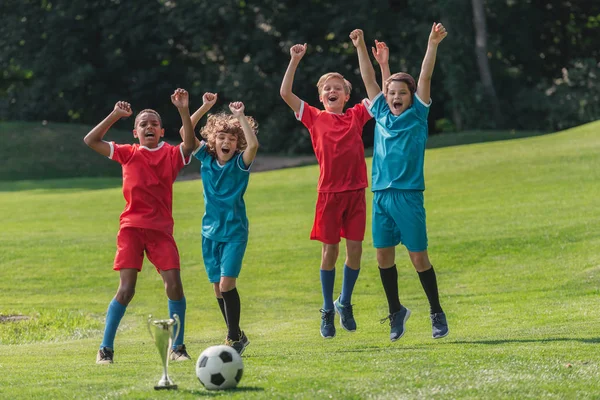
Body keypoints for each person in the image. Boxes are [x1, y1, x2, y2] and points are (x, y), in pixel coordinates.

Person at [350, 24, 449, 341]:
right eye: (391, 93)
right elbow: (369, 80)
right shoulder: (380, 111)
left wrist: (431, 44)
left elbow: (425, 78)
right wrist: (361, 46)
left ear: (411, 98)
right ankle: (396, 312)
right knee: (382, 256)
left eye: (400, 93)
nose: (394, 96)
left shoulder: (418, 114)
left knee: (418, 258)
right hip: (380, 196)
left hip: (407, 196)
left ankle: (436, 311)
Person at [85, 89, 196, 364]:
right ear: (135, 132)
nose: (149, 126)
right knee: (127, 289)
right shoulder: (128, 153)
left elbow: (190, 144)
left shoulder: (171, 154)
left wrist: (184, 108)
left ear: (161, 131)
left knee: (175, 286)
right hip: (132, 229)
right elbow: (91, 140)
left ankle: (177, 347)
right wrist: (115, 115)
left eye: (154, 124)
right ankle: (105, 349)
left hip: (161, 231)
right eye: (143, 124)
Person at [280, 43, 372, 339]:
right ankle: (326, 309)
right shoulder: (314, 117)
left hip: (356, 192)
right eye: (326, 89)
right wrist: (294, 60)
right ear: (321, 97)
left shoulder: (357, 115)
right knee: (330, 252)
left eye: (338, 88)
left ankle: (344, 301)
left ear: (346, 96)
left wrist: (362, 49)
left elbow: (378, 93)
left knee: (355, 251)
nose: (331, 91)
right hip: (329, 196)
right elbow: (285, 94)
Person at [181, 94, 258, 355]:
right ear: (213, 141)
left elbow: (254, 146)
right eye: (222, 138)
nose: (226, 142)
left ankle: (233, 336)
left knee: (227, 285)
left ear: (238, 144)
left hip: (235, 233)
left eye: (232, 139)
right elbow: (185, 132)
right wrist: (205, 107)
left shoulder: (240, 163)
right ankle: (236, 334)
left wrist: (239, 118)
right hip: (209, 232)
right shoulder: (205, 159)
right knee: (217, 287)